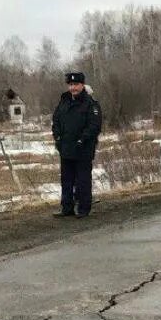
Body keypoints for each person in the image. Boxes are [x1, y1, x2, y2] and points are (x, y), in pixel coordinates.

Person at [52, 71, 103, 218]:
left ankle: (83, 209)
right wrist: (57, 138)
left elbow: (94, 126)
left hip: (83, 149)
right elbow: (56, 121)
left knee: (82, 180)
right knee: (66, 180)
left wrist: (83, 139)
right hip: (66, 148)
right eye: (71, 85)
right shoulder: (64, 102)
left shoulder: (90, 103)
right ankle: (66, 207)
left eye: (76, 84)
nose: (73, 88)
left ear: (82, 85)